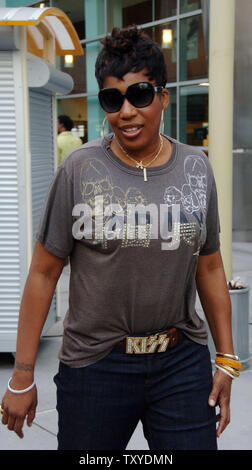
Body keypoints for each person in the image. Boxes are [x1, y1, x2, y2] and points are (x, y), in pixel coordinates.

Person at [0, 26, 242, 450]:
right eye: (114, 99)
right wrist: (22, 375)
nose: (127, 111)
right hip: (96, 365)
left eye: (141, 94)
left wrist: (226, 357)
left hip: (179, 362)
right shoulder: (77, 169)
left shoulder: (195, 169)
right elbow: (42, 273)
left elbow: (209, 264)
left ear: (163, 97)